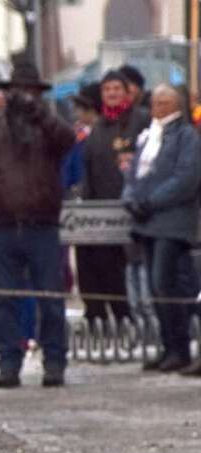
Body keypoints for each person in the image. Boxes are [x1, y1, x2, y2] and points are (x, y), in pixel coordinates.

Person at [0, 61, 76, 388]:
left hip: (41, 223)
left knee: (51, 298)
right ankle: (9, 363)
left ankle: (54, 361)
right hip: (1, 222)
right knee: (4, 300)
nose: (23, 97)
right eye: (17, 92)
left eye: (29, 92)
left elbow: (68, 141)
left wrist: (39, 114)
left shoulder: (48, 122)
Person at [122, 85, 201, 374]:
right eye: (156, 102)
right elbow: (134, 172)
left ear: (178, 105)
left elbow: (186, 179)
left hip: (173, 223)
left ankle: (180, 347)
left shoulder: (186, 137)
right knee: (155, 288)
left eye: (166, 102)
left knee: (166, 283)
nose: (160, 107)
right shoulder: (148, 137)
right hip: (147, 223)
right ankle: (169, 347)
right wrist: (130, 198)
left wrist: (150, 201)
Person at [79, 70, 149, 324]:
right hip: (104, 212)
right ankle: (115, 318)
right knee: (106, 267)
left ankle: (138, 320)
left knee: (134, 267)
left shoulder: (141, 120)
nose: (111, 94)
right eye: (107, 90)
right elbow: (89, 170)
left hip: (135, 208)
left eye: (116, 89)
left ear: (126, 91)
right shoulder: (97, 129)